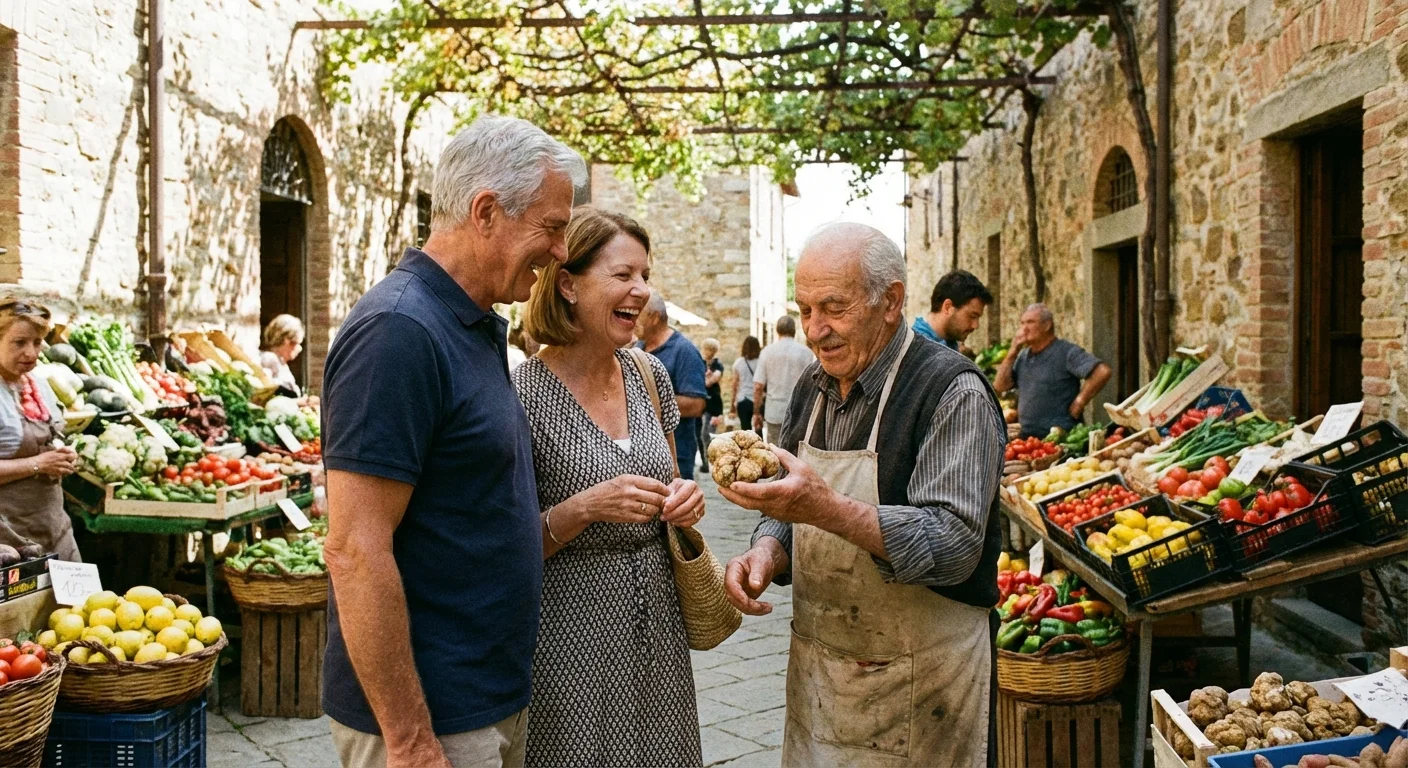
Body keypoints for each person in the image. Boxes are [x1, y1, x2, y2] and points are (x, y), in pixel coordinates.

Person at [320, 114, 585, 768]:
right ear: (487, 210)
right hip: (432, 722)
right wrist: (410, 742)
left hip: (479, 701)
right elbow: (355, 548)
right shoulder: (398, 331)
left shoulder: (465, 323)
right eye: (552, 228)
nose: (560, 251)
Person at [719, 223, 1005, 768]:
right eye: (804, 310)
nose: (814, 330)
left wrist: (824, 508)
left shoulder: (952, 391)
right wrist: (767, 549)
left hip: (925, 688)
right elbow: (789, 502)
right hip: (823, 682)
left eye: (833, 307)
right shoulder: (812, 385)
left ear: (891, 301)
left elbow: (953, 546)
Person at [515, 206, 705, 767]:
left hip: (660, 628)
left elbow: (675, 485)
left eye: (644, 276)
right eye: (623, 275)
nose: (641, 291)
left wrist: (686, 503)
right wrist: (585, 508)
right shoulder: (522, 395)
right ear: (569, 284)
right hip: (570, 638)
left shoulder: (650, 375)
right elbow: (509, 544)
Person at [0, 300, 78, 561]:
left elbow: (51, 437)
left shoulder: (40, 385)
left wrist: (63, 455)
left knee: (81, 602)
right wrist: (38, 464)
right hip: (8, 541)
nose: (31, 353)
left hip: (54, 527)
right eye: (19, 342)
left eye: (37, 342)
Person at [993, 303, 1113, 438]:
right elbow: (1000, 386)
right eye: (1022, 323)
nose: (1024, 329)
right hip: (1029, 439)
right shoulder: (1023, 356)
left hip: (1060, 437)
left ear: (1047, 325)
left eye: (1030, 322)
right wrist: (1012, 352)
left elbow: (1102, 371)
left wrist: (1080, 401)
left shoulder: (1066, 351)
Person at [634, 291, 707, 480]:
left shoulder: (684, 351)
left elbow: (696, 405)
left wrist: (644, 401)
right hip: (641, 456)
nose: (633, 319)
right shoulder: (637, 349)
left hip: (677, 454)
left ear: (655, 317)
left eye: (638, 313)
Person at [752, 315, 813, 444]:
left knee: (775, 450)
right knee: (796, 450)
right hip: (800, 410)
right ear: (794, 330)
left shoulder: (767, 352)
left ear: (777, 330)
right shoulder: (806, 352)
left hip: (775, 410)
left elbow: (758, 386)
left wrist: (756, 412)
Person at [913, 269, 993, 352]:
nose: (976, 325)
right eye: (972, 316)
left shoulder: (949, 342)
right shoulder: (919, 350)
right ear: (948, 307)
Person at [259, 314, 305, 394]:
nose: (299, 349)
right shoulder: (269, 359)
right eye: (295, 343)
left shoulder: (282, 363)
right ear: (286, 340)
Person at [698, 338, 724, 472]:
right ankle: (706, 462)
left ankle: (713, 461)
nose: (707, 352)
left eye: (709, 349)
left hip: (714, 404)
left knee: (710, 434)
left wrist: (704, 378)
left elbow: (712, 381)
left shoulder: (717, 365)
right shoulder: (701, 363)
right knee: (702, 435)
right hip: (703, 403)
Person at [731, 335, 760, 436]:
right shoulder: (761, 362)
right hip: (757, 400)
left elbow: (735, 385)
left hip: (743, 399)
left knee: (745, 431)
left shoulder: (738, 363)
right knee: (759, 428)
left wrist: (732, 405)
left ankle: (747, 451)